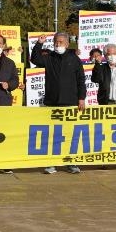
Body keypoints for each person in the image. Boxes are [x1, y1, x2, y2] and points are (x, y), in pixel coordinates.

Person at [31, 32, 86, 175]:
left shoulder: (74, 59)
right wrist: (39, 43)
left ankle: (71, 163)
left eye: (61, 42)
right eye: (56, 42)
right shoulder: (49, 57)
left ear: (67, 44)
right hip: (52, 102)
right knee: (53, 134)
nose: (58, 44)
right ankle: (51, 163)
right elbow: (35, 59)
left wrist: (81, 98)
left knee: (69, 134)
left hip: (70, 102)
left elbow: (81, 79)